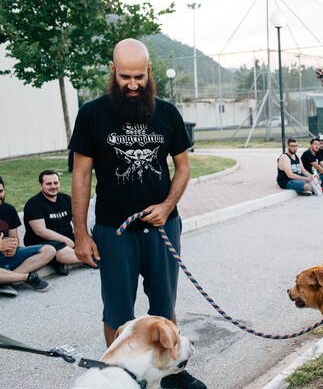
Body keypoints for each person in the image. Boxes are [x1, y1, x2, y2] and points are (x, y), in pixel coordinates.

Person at [69, 38, 206, 389]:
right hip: (115, 229)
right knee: (117, 312)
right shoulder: (91, 114)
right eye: (125, 77)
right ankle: (119, 377)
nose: (132, 85)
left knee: (164, 304)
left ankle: (172, 372)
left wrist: (167, 206)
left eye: (139, 77)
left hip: (162, 227)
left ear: (149, 74)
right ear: (113, 72)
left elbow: (183, 166)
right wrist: (82, 234)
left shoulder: (167, 113)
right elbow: (81, 174)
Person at [0, 175, 55, 296]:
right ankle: (26, 277)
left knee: (49, 250)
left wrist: (13, 246)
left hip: (7, 256)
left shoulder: (9, 209)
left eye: (1, 191)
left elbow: (14, 238)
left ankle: (6, 281)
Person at [23, 170, 80, 275]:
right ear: (40, 185)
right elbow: (41, 231)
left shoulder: (66, 199)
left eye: (56, 183)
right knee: (61, 252)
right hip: (41, 241)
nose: (53, 186)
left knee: (95, 239)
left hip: (66, 237)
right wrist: (68, 241)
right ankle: (88, 259)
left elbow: (77, 221)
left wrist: (81, 237)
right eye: (48, 184)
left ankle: (59, 261)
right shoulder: (33, 204)